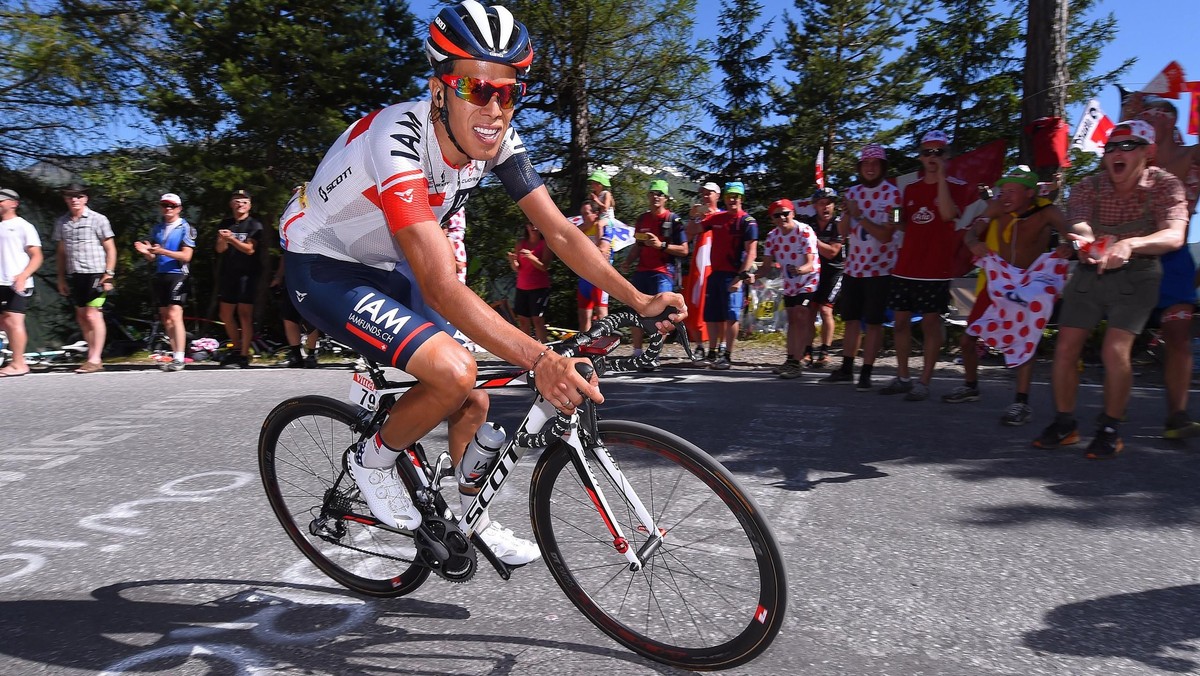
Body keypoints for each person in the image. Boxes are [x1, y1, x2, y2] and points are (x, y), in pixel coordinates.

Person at [277, 0, 684, 566]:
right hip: (321, 265)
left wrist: (639, 299)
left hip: (386, 266)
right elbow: (442, 285)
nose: (494, 107)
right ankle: (369, 461)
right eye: (475, 89)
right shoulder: (397, 139)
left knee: (474, 397)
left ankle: (472, 519)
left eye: (507, 91)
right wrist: (542, 357)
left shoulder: (495, 142)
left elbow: (562, 236)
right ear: (439, 88)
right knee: (453, 370)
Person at [1033, 120, 1188, 458]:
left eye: (1128, 146)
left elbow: (1174, 234)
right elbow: (1080, 224)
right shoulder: (1090, 185)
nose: (1117, 153)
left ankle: (1109, 428)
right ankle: (1065, 424)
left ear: (1149, 152)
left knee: (1114, 349)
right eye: (1111, 147)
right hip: (1092, 270)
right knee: (1065, 348)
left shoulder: (1166, 185)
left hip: (1140, 274)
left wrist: (1130, 245)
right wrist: (1089, 243)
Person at [951, 166, 1070, 425]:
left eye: (1012, 192)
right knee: (967, 339)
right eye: (1003, 190)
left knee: (1026, 342)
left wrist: (1068, 245)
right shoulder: (996, 208)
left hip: (1031, 282)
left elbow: (1074, 233)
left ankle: (1021, 402)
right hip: (999, 280)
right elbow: (971, 231)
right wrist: (973, 242)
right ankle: (970, 386)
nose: (1005, 196)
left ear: (1029, 193)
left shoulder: (1046, 211)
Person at [879, 131, 971, 401]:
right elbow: (906, 223)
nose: (932, 157)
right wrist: (895, 219)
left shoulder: (957, 185)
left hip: (936, 268)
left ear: (947, 155)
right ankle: (904, 376)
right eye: (927, 152)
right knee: (899, 323)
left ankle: (924, 381)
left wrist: (940, 177)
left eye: (938, 152)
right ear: (919, 156)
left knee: (931, 324)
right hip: (906, 264)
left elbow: (945, 214)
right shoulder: (910, 189)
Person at [1133, 99, 1200, 439]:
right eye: (1141, 117)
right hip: (1135, 257)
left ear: (1168, 119)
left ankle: (1177, 415)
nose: (1144, 121)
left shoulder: (1191, 155)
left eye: (1151, 116)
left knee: (1179, 337)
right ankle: (1103, 413)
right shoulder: (1139, 157)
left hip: (1174, 261)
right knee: (1119, 336)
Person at [821, 144, 901, 389]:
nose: (870, 168)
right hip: (854, 268)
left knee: (874, 322)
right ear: (860, 167)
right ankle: (847, 368)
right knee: (851, 319)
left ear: (882, 167)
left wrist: (861, 216)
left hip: (882, 269)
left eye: (875, 164)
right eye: (866, 164)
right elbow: (843, 232)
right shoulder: (852, 192)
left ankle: (866, 372)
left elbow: (889, 234)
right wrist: (848, 213)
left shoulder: (895, 195)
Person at [622, 179, 687, 368]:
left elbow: (684, 250)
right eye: (652, 193)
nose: (656, 196)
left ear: (666, 198)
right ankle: (637, 352)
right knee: (636, 312)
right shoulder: (642, 219)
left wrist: (662, 245)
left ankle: (653, 355)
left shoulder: (673, 220)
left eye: (660, 193)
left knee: (660, 317)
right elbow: (638, 245)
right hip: (642, 272)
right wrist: (627, 262)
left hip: (663, 273)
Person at [52, 183, 116, 374]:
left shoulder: (98, 219)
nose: (75, 200)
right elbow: (61, 252)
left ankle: (95, 358)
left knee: (93, 313)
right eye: (70, 196)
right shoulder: (62, 222)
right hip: (76, 273)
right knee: (81, 316)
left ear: (85, 198)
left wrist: (109, 273)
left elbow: (110, 247)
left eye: (79, 196)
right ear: (65, 199)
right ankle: (93, 355)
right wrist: (61, 278)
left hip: (96, 272)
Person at [134, 192, 195, 372]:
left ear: (179, 208)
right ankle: (175, 353)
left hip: (178, 273)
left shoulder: (185, 227)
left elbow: (187, 256)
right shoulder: (158, 228)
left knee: (175, 314)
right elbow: (153, 255)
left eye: (172, 206)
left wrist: (162, 252)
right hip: (161, 274)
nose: (168, 209)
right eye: (164, 206)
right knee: (166, 318)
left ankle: (179, 357)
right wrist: (145, 251)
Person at [701, 181, 758, 370]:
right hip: (715, 273)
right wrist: (695, 216)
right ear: (724, 198)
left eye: (736, 196)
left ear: (741, 198)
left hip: (733, 275)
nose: (732, 199)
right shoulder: (717, 218)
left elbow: (751, 253)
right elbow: (692, 231)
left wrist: (740, 278)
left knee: (731, 315)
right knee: (712, 315)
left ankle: (727, 356)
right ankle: (712, 352)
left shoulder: (748, 221)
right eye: (729, 196)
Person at [762, 200, 819, 379]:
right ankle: (790, 359)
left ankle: (797, 362)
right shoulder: (772, 236)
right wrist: (749, 277)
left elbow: (810, 264)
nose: (782, 217)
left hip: (809, 278)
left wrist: (798, 270)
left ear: (793, 213)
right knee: (792, 319)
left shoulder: (805, 231)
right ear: (772, 219)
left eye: (786, 213)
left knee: (801, 314)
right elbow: (764, 267)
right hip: (790, 282)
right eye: (777, 215)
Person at [215, 189, 264, 368]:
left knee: (244, 315)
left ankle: (244, 355)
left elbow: (250, 249)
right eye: (236, 200)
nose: (240, 204)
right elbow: (220, 249)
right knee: (225, 314)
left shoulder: (254, 225)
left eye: (244, 201)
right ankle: (235, 349)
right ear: (231, 204)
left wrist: (232, 239)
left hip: (247, 275)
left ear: (249, 205)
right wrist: (223, 239)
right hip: (229, 273)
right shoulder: (226, 223)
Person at [0, 188, 43, 377]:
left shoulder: (23, 226)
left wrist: (24, 275)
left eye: (1, 200)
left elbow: (36, 256)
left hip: (16, 281)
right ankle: (16, 360)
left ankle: (19, 364)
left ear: (13, 203)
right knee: (4, 322)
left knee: (14, 321)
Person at [807, 187, 843, 366]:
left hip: (834, 272)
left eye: (829, 203)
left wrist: (812, 240)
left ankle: (824, 352)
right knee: (809, 310)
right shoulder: (809, 223)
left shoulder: (839, 223)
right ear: (815, 206)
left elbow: (832, 252)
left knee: (826, 310)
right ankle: (807, 351)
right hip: (814, 271)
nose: (826, 207)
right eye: (822, 203)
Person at [684, 181, 720, 356]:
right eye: (703, 193)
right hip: (699, 264)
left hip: (717, 264)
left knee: (716, 305)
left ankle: (719, 345)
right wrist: (692, 216)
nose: (706, 196)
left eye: (709, 193)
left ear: (717, 196)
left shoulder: (723, 215)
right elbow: (688, 236)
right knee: (695, 303)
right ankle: (699, 345)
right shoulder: (698, 217)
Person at [507, 222, 553, 343]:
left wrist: (531, 257)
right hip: (522, 287)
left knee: (538, 319)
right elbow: (517, 268)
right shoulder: (521, 243)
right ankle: (526, 349)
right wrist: (513, 261)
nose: (534, 227)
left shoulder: (545, 244)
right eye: (530, 225)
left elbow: (545, 266)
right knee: (523, 320)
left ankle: (545, 348)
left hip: (539, 287)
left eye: (536, 225)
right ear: (526, 227)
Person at [271, 256, 319, 368]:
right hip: (291, 280)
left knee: (310, 319)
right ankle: (296, 356)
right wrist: (278, 276)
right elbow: (284, 257)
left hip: (310, 279)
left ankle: (311, 354)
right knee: (289, 319)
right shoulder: (289, 240)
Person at [576, 201, 613, 332]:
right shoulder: (581, 228)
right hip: (585, 276)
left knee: (601, 312)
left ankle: (604, 345)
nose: (583, 218)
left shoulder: (605, 226)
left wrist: (597, 229)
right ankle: (584, 347)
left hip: (600, 277)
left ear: (596, 214)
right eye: (582, 214)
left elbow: (602, 251)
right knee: (584, 315)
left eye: (586, 214)